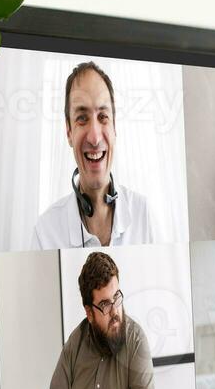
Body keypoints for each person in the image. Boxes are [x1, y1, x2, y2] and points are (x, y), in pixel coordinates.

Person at [33, 61, 159, 249]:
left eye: (103, 117)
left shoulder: (144, 215)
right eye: (82, 118)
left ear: (114, 126)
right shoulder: (45, 232)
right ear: (68, 131)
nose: (94, 137)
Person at [40, 251, 157, 389]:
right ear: (89, 312)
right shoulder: (74, 346)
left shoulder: (135, 338)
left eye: (117, 297)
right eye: (104, 304)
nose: (115, 311)